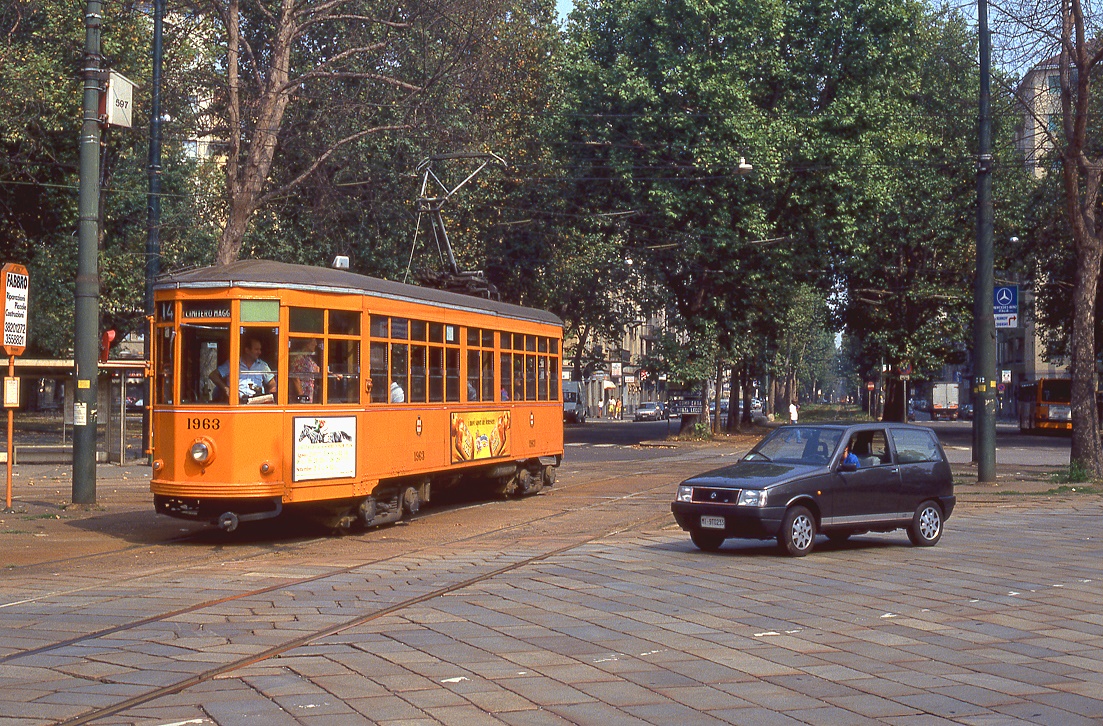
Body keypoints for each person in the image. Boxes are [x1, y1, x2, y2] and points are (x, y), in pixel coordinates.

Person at [210, 336, 275, 402]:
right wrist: (227, 389)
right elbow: (213, 375)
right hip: (237, 403)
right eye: (256, 349)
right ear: (247, 350)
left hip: (256, 404)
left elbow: (272, 384)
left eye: (260, 349)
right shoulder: (232, 363)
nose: (259, 352)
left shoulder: (262, 366)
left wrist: (271, 393)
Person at [289, 338, 320, 403]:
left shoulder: (308, 358)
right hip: (301, 397)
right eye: (313, 341)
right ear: (307, 343)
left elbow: (317, 369)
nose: (316, 344)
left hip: (308, 395)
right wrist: (302, 397)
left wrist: (333, 374)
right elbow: (295, 377)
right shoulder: (298, 358)